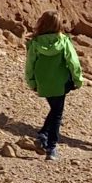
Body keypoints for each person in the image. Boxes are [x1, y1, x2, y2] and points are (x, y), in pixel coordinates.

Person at [22, 10, 83, 157]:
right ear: (58, 24)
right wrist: (77, 80)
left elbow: (29, 65)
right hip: (60, 83)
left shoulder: (35, 43)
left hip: (43, 83)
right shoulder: (63, 41)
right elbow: (73, 62)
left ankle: (43, 134)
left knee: (55, 109)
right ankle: (51, 147)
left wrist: (31, 82)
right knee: (57, 114)